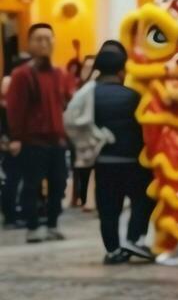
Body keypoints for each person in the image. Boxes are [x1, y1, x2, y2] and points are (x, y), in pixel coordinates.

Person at [5, 23, 73, 243]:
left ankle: (52, 224)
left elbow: (65, 103)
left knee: (58, 184)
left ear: (54, 42)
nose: (44, 43)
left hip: (57, 140)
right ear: (30, 44)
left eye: (48, 38)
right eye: (38, 39)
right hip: (32, 141)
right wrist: (15, 138)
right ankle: (33, 226)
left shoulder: (60, 73)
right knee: (32, 185)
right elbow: (15, 109)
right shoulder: (21, 75)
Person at [89, 41, 154, 264]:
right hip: (132, 162)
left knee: (108, 209)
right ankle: (133, 238)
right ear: (121, 71)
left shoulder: (89, 96)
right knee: (142, 201)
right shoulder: (133, 96)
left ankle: (112, 249)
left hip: (103, 162)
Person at [1, 54, 28, 229]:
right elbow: (6, 111)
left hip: (18, 138)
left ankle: (16, 213)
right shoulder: (10, 81)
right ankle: (11, 215)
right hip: (12, 139)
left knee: (17, 178)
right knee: (13, 178)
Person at [70, 54, 97, 210]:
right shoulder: (77, 85)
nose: (88, 69)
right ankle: (78, 197)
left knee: (91, 167)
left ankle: (89, 199)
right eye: (86, 66)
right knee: (79, 167)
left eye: (91, 66)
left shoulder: (95, 86)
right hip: (78, 132)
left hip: (91, 131)